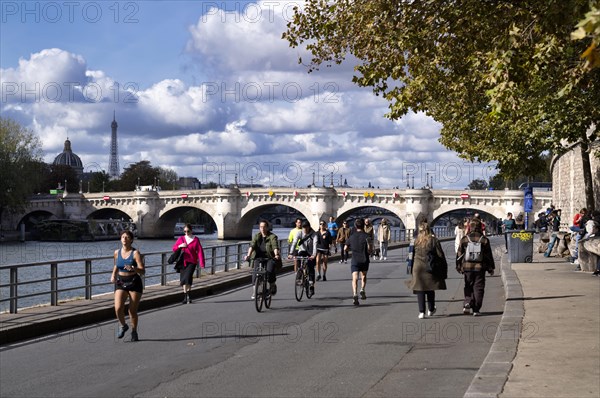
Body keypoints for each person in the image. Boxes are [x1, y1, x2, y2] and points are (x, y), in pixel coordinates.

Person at [405, 222, 447, 318]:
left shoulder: (414, 241)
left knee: (420, 288)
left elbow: (410, 255)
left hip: (417, 267)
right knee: (430, 288)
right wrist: (443, 267)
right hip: (430, 267)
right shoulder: (433, 240)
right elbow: (440, 255)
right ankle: (431, 309)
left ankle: (421, 312)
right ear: (428, 229)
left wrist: (410, 268)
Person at [111, 230, 145, 342]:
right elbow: (116, 265)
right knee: (118, 308)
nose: (124, 239)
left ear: (131, 240)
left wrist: (134, 268)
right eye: (122, 237)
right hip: (121, 281)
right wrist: (113, 275)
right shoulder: (116, 252)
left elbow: (142, 270)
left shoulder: (136, 253)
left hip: (134, 282)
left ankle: (134, 331)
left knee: (132, 310)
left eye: (127, 237)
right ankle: (123, 325)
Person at [456, 218, 495, 316]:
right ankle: (476, 309)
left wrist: (459, 266)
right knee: (478, 287)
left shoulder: (465, 239)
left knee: (468, 285)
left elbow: (459, 254)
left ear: (470, 227)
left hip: (467, 267)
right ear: (480, 228)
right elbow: (488, 256)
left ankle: (467, 302)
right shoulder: (484, 240)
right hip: (480, 267)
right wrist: (491, 268)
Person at [245, 220, 282, 298]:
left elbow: (275, 246)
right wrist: (248, 255)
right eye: (261, 227)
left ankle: (272, 285)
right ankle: (255, 291)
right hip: (258, 257)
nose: (262, 229)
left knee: (270, 271)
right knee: (255, 273)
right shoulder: (257, 236)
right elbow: (252, 246)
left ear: (267, 227)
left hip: (270, 257)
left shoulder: (272, 236)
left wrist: (276, 255)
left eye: (264, 227)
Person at [172, 223, 206, 304]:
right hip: (183, 261)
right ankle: (186, 297)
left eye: (188, 231)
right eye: (185, 231)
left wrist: (202, 263)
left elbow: (200, 251)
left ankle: (188, 296)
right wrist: (180, 246)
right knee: (186, 279)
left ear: (191, 231)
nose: (186, 233)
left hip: (192, 262)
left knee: (187, 277)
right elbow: (174, 248)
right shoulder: (181, 239)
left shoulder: (196, 240)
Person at [344, 218, 372, 305]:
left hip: (355, 259)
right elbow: (369, 250)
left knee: (354, 278)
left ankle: (355, 294)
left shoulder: (351, 237)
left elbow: (345, 248)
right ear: (363, 226)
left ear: (355, 226)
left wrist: (350, 249)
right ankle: (362, 289)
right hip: (364, 259)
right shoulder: (367, 236)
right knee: (363, 276)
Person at [288, 220, 317, 295]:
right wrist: (291, 253)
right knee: (298, 259)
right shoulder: (299, 233)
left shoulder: (314, 234)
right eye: (303, 228)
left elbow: (315, 245)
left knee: (311, 267)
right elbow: (294, 243)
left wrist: (313, 255)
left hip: (311, 252)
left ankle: (311, 284)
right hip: (302, 250)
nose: (305, 230)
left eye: (306, 228)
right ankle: (299, 274)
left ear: (309, 227)